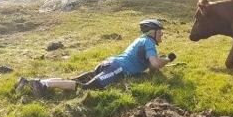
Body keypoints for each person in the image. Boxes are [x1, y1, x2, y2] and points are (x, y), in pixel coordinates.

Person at [16, 19, 176, 97]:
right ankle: (41, 85)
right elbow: (154, 64)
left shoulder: (141, 40)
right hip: (117, 69)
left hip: (109, 63)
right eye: (160, 31)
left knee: (74, 80)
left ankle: (29, 82)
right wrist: (168, 59)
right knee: (85, 87)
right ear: (152, 32)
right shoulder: (148, 42)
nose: (162, 34)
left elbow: (150, 64)